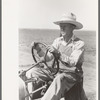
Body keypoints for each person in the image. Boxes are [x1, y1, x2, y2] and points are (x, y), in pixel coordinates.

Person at [24, 12, 87, 100]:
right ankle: (30, 97)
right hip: (56, 71)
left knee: (59, 78)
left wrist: (58, 53)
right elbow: (48, 58)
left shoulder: (79, 44)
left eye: (65, 26)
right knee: (31, 72)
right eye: (61, 25)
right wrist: (38, 49)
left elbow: (72, 62)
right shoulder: (58, 41)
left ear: (72, 27)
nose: (62, 28)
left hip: (72, 75)